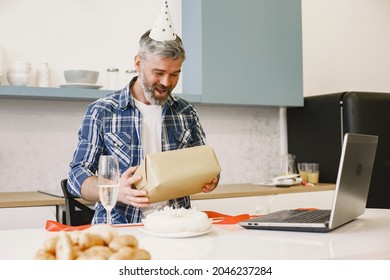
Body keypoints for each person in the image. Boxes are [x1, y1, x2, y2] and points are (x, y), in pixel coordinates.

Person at [66, 28, 219, 224]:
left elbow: (203, 163)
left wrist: (211, 178)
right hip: (121, 228)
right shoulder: (102, 111)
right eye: (159, 72)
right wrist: (114, 189)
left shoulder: (186, 112)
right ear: (138, 63)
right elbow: (76, 175)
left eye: (174, 74)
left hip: (177, 227)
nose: (166, 82)